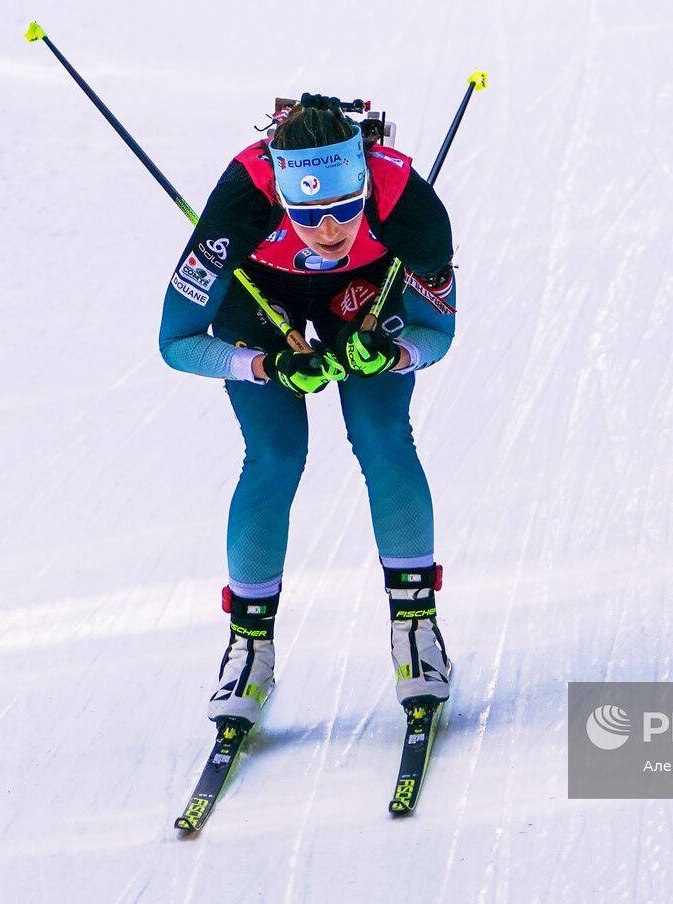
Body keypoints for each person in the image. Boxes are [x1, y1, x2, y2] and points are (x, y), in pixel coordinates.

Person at [158, 94, 455, 726]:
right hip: (260, 291)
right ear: (279, 198)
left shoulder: (407, 202)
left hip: (370, 289)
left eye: (346, 209)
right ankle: (248, 647)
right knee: (276, 454)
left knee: (382, 436)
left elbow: (440, 334)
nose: (329, 231)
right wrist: (261, 366)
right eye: (308, 213)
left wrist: (395, 354)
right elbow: (176, 343)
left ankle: (415, 631)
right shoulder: (239, 204)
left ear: (365, 184)